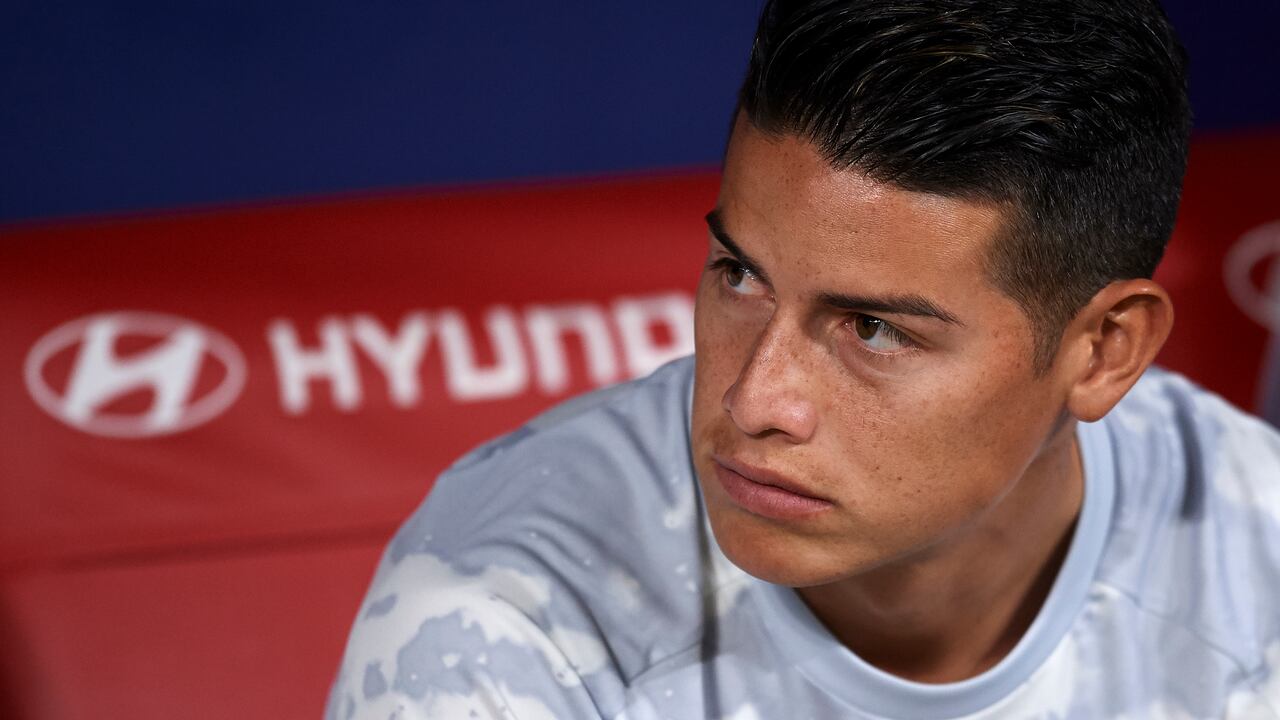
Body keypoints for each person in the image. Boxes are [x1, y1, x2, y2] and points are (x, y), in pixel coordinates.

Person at [327, 1, 1280, 717]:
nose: (754, 400)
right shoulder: (497, 613)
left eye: (873, 329)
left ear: (1104, 351)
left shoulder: (1257, 562)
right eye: (740, 275)